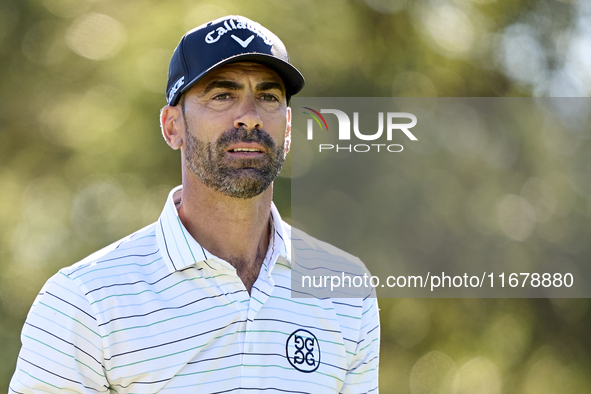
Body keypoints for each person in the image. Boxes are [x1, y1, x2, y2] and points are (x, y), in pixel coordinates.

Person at [9, 15, 380, 394]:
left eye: (268, 96)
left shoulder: (347, 289)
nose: (250, 116)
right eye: (222, 95)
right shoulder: (85, 300)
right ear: (173, 127)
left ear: (287, 129)